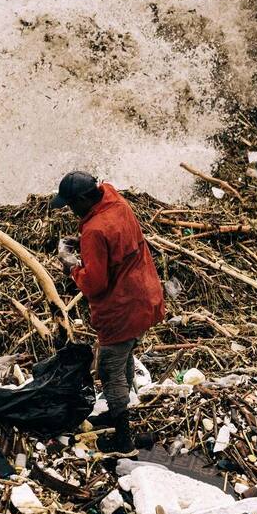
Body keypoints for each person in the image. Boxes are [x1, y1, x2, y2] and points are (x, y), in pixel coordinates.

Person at [51, 171, 165, 456]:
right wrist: (86, 248)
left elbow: (95, 283)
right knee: (125, 358)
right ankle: (123, 414)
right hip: (145, 296)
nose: (70, 210)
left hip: (121, 309)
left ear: (81, 200)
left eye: (70, 204)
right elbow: (116, 241)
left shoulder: (94, 231)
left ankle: (124, 440)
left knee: (110, 369)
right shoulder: (116, 201)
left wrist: (71, 265)